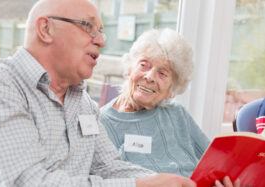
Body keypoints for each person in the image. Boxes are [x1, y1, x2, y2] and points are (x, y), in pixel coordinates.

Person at [0, 0, 204, 186]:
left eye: (101, 31)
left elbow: (110, 168)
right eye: (89, 27)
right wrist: (140, 184)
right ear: (46, 29)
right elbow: (26, 181)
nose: (101, 40)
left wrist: (174, 182)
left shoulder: (83, 103)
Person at [99, 28, 240, 186]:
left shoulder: (177, 113)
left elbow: (215, 163)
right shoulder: (102, 123)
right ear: (130, 70)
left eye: (162, 73)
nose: (150, 76)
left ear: (171, 91)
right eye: (144, 65)